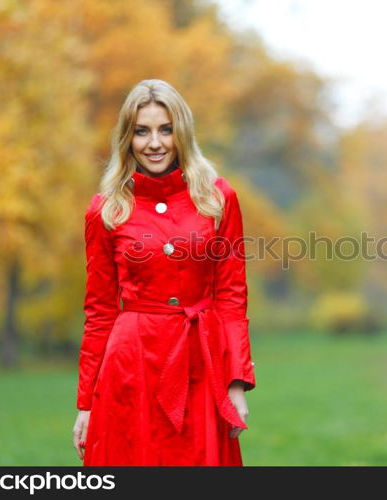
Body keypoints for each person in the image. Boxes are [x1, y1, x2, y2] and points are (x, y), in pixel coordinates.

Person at [72, 79, 256, 466]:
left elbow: (231, 296)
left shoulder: (218, 198)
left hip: (200, 365)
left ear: (182, 132)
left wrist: (236, 383)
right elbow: (100, 311)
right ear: (127, 137)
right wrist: (86, 403)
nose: (154, 143)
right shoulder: (106, 210)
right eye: (142, 131)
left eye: (165, 129)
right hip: (130, 369)